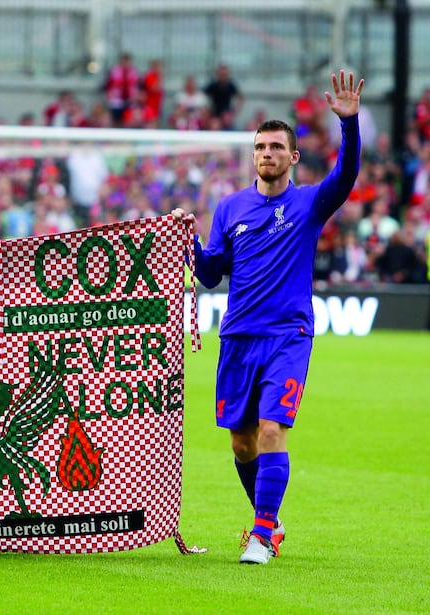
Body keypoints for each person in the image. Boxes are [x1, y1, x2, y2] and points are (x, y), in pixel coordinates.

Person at [172, 70, 364, 564]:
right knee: (241, 443)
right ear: (253, 153)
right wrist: (185, 240)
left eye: (277, 147)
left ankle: (260, 536)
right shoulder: (230, 207)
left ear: (293, 156)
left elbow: (345, 176)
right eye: (261, 147)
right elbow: (212, 272)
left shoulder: (308, 204)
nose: (267, 154)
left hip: (288, 336)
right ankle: (270, 519)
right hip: (237, 337)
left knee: (273, 428)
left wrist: (349, 124)